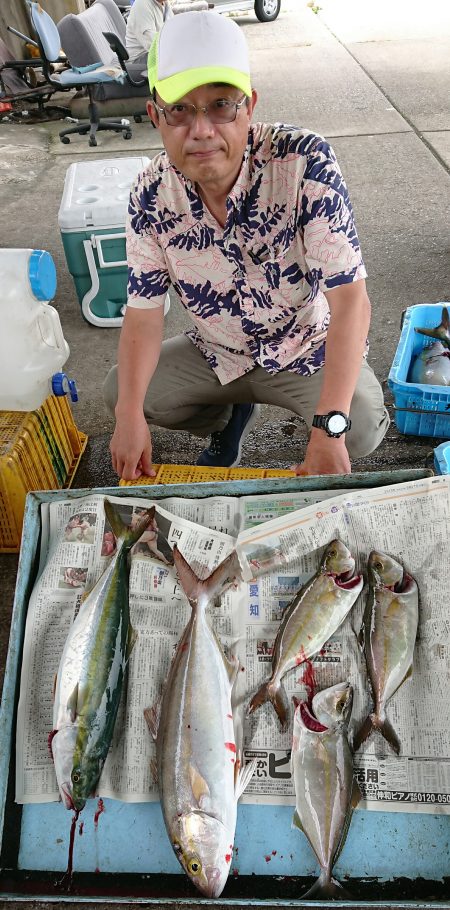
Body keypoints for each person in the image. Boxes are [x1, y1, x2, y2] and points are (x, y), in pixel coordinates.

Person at [104, 11, 389, 481]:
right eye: (180, 109)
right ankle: (228, 419)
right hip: (218, 351)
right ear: (155, 116)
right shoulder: (149, 194)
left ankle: (322, 422)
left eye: (221, 105)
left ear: (249, 107)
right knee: (123, 395)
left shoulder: (304, 161)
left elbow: (351, 301)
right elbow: (143, 313)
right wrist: (129, 417)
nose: (201, 130)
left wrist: (329, 429)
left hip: (304, 346)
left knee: (356, 428)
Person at [125, 0, 173, 65]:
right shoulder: (142, 5)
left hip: (157, 52)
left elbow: (172, 31)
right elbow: (152, 45)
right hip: (139, 59)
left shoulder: (165, 4)